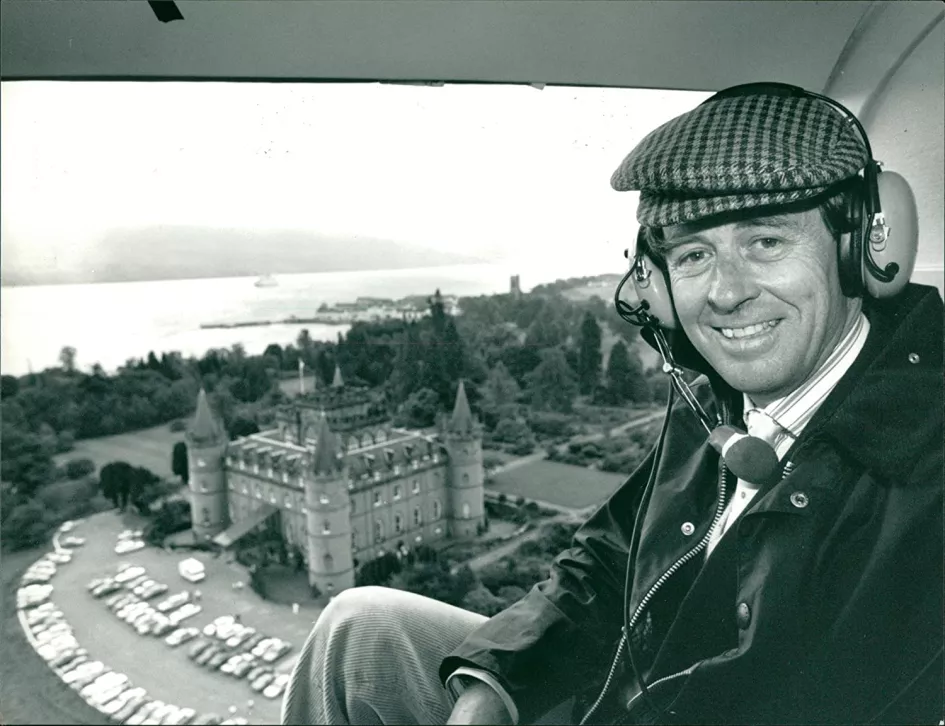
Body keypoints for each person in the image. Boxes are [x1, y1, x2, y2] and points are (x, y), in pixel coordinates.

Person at [281, 84, 943, 725]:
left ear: (865, 246)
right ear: (654, 285)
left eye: (764, 242)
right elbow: (610, 556)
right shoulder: (708, 398)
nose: (724, 292)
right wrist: (497, 682)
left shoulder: (921, 472)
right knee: (358, 632)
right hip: (623, 691)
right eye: (692, 255)